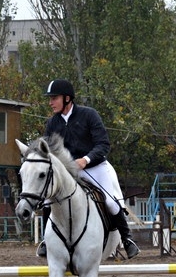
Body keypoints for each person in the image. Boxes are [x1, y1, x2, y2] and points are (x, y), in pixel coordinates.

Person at [36, 79, 139, 259]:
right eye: (50, 98)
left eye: (54, 98)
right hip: (69, 172)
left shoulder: (89, 115)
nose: (50, 102)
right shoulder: (53, 123)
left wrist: (85, 159)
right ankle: (46, 240)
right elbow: (50, 151)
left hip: (95, 166)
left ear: (67, 98)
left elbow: (103, 144)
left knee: (110, 201)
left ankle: (127, 239)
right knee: (47, 200)